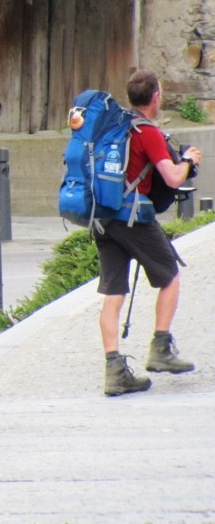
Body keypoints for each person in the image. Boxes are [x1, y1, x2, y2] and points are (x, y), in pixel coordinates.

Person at [96, 69, 201, 396]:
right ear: (155, 97)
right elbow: (171, 178)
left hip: (102, 218)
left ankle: (115, 371)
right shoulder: (147, 132)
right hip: (133, 219)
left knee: (113, 295)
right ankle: (160, 348)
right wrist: (188, 161)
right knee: (170, 275)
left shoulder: (111, 126)